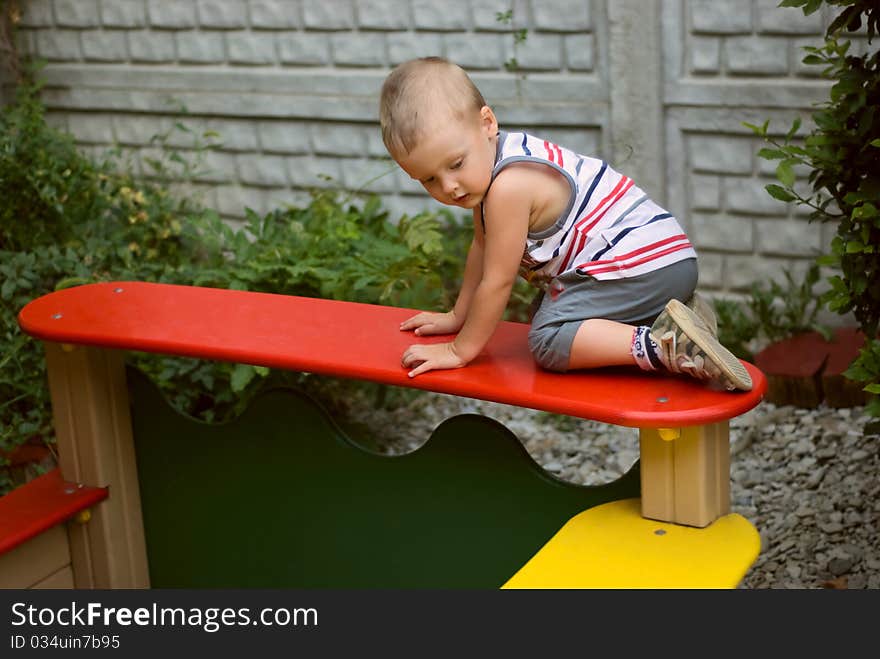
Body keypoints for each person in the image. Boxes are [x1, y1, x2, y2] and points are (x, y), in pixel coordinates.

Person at [379, 56, 751, 392]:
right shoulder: (495, 164)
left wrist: (460, 351)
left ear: (487, 123)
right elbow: (482, 246)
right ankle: (678, 317)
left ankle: (665, 344)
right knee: (548, 309)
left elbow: (498, 282)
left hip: (644, 267)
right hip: (661, 262)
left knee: (549, 340)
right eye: (428, 179)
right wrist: (458, 316)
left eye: (455, 164)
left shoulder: (509, 186)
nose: (448, 187)